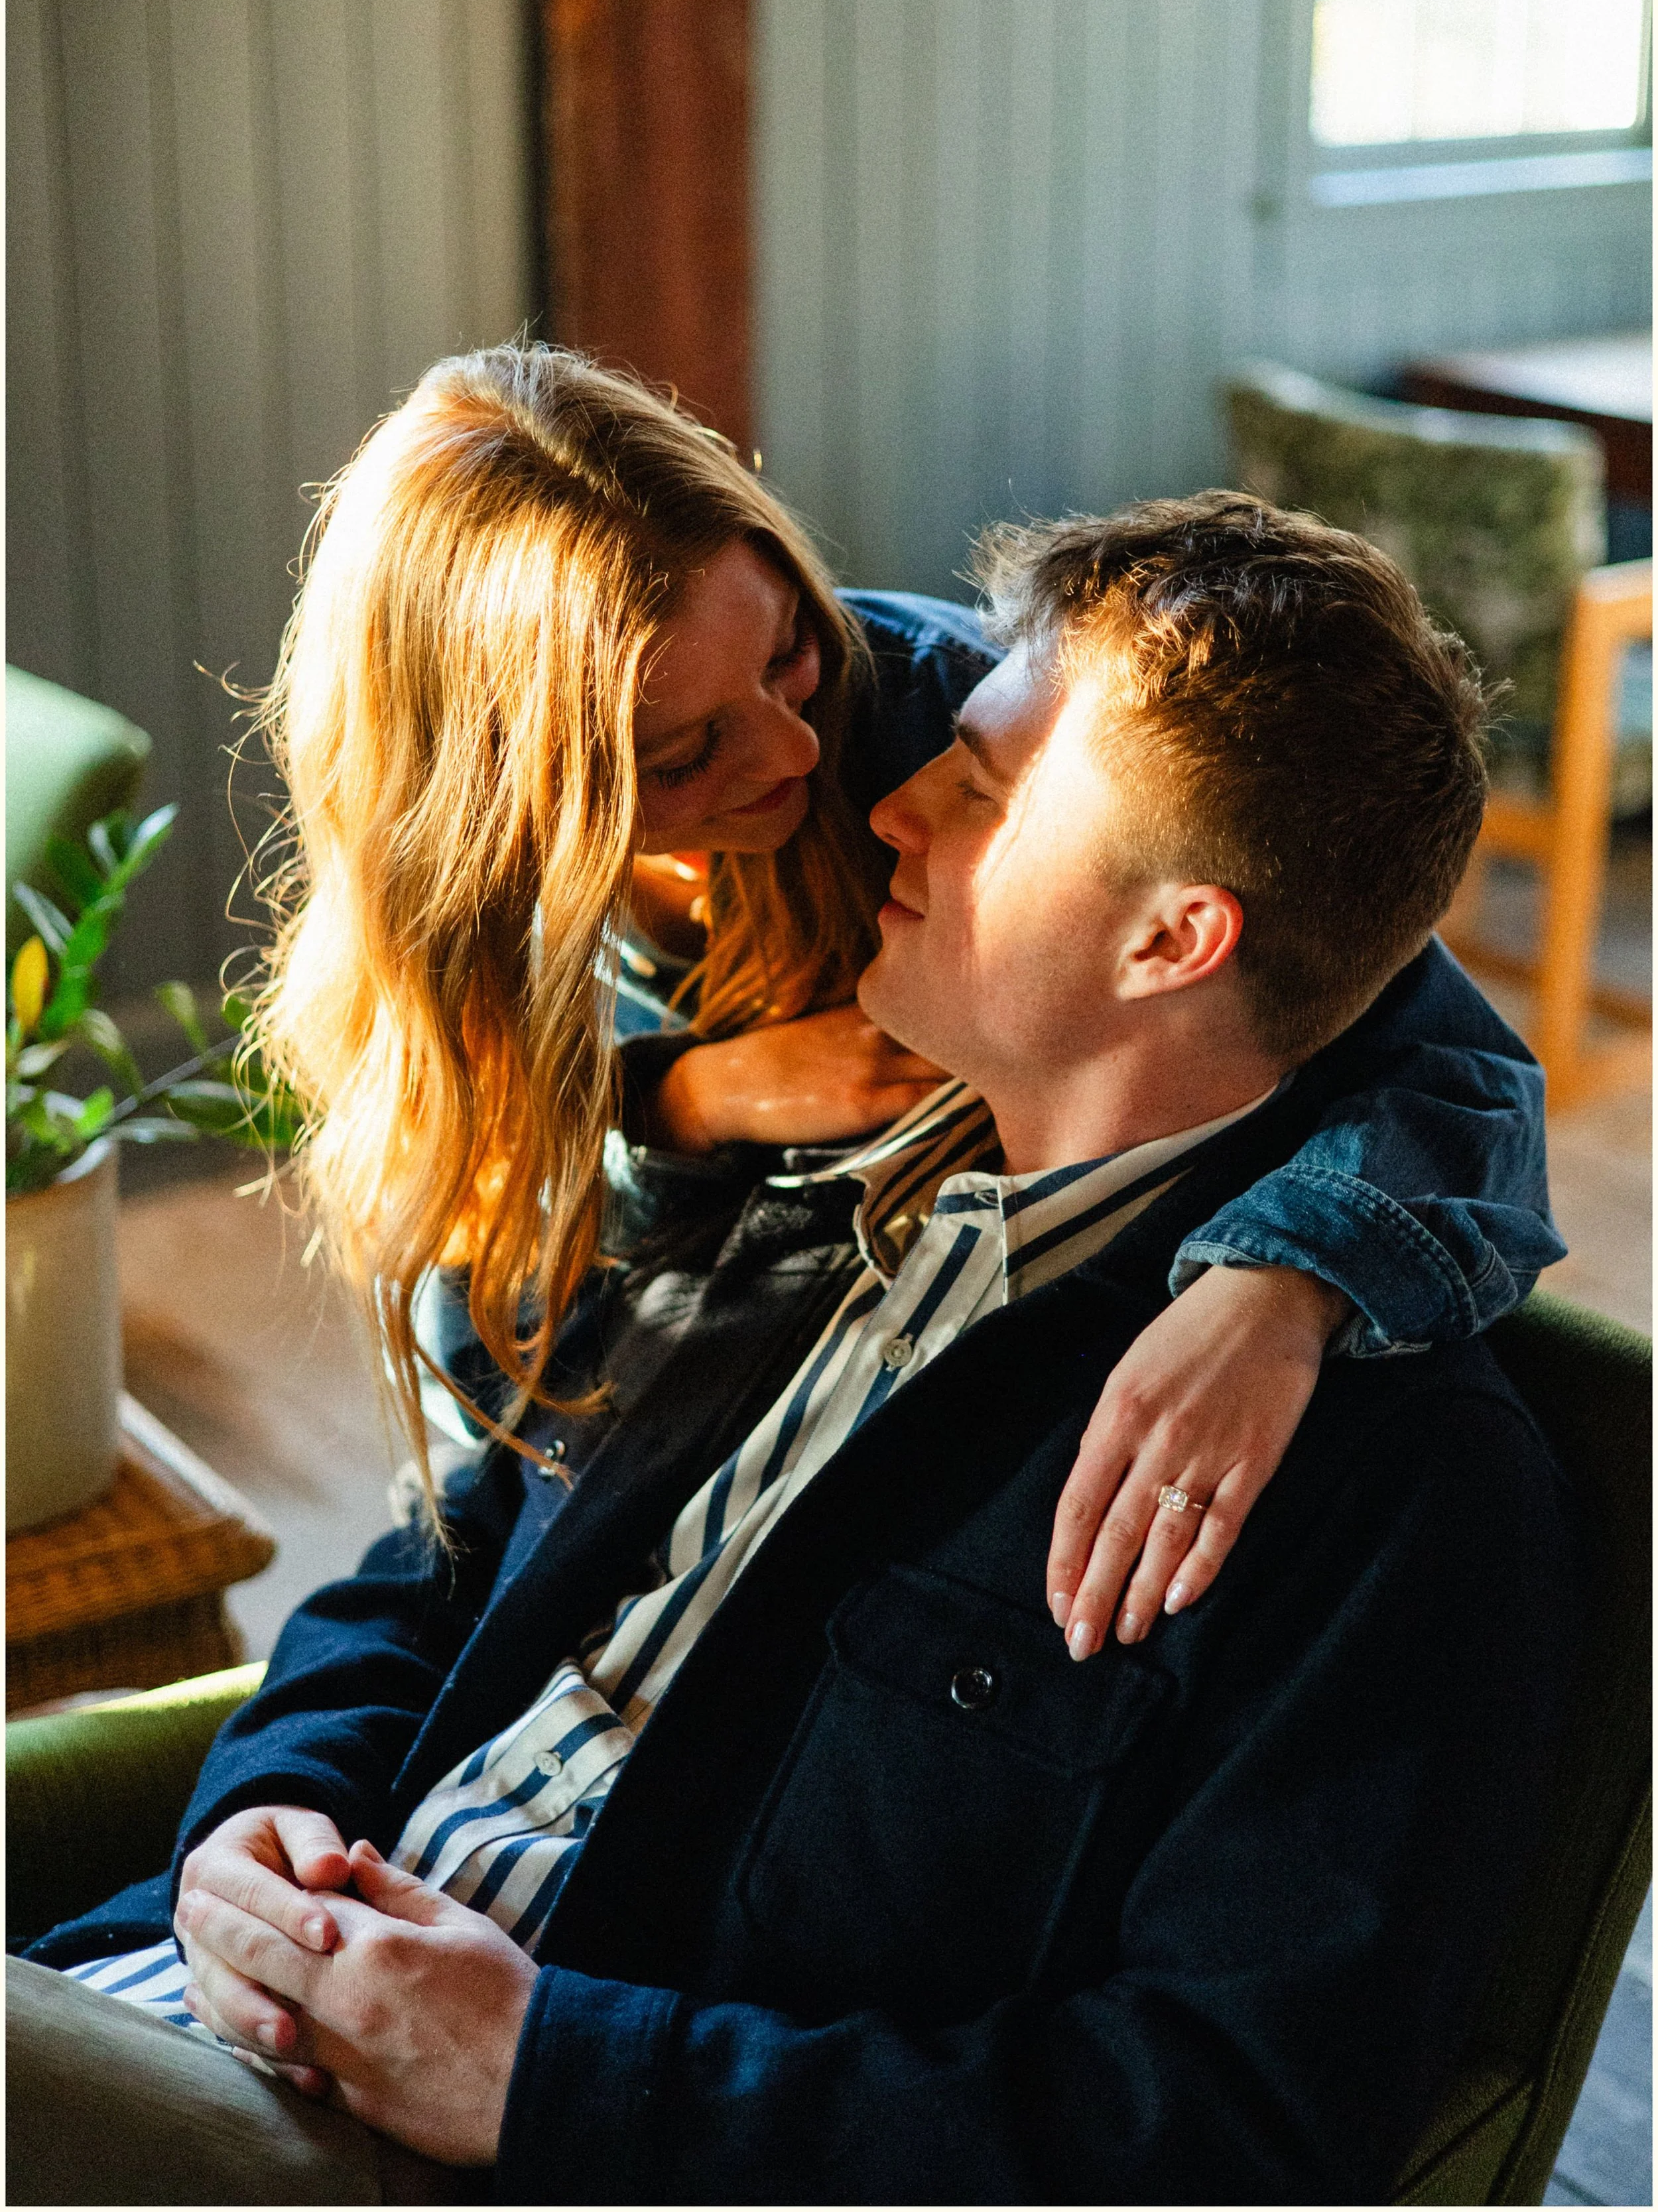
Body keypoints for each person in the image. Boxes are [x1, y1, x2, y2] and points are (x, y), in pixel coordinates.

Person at [13, 494, 1580, 2207]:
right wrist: (263, 1814)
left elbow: (1226, 2128)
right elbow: (444, 1557)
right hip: (186, 2004)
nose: (875, 799)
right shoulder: (799, 1181)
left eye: (978, 791)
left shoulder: (1389, 1492)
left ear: (1170, 937)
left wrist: (546, 2069)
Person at [245, 342, 1557, 1663]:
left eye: (790, 654)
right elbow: (507, 1417)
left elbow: (1444, 1060)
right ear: (496, 796)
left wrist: (1280, 1290)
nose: (803, 756)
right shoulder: (468, 918)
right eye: (687, 751)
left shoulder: (927, 716)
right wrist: (680, 1100)